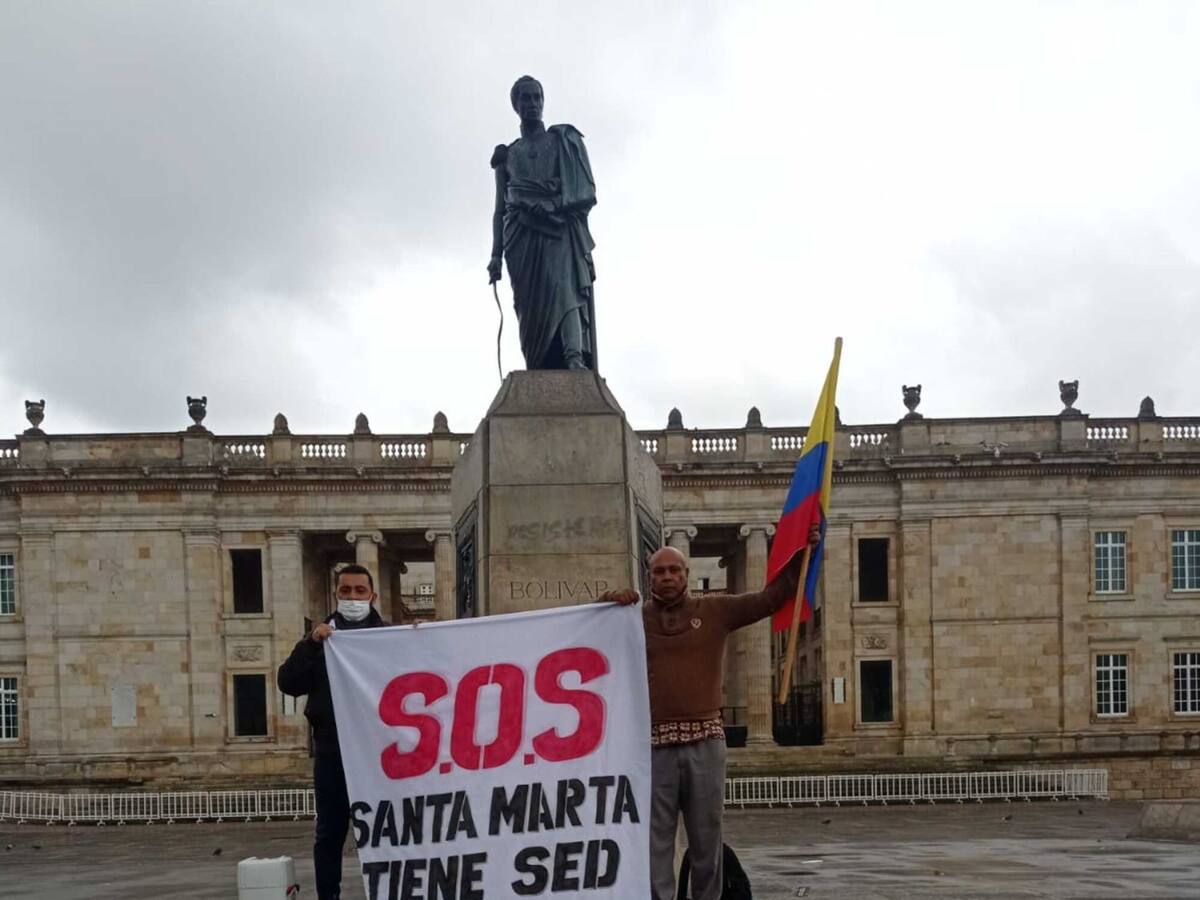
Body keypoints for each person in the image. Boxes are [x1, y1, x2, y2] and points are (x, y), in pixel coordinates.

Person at [602, 525, 820, 900]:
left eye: (675, 570)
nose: (668, 576)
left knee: (707, 840)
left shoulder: (716, 610)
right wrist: (605, 602)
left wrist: (805, 553)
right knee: (656, 842)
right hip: (653, 748)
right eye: (659, 571)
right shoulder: (632, 617)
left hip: (706, 744)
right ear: (648, 576)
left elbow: (771, 598)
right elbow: (584, 632)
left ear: (687, 574)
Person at [277, 564, 391, 900]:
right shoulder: (319, 641)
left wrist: (416, 638)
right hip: (333, 754)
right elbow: (289, 682)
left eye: (359, 591)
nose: (353, 597)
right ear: (336, 594)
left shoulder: (386, 637)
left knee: (387, 832)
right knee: (329, 835)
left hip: (378, 757)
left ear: (372, 596)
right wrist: (311, 643)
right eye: (346, 591)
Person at [488, 74, 598, 370]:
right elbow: (500, 209)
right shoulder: (507, 155)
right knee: (529, 310)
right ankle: (537, 369)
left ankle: (574, 358)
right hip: (520, 239)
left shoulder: (561, 141)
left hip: (557, 228)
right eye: (526, 98)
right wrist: (495, 254)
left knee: (565, 288)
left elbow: (584, 190)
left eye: (538, 97)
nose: (533, 104)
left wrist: (549, 204)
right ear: (516, 105)